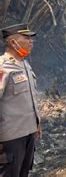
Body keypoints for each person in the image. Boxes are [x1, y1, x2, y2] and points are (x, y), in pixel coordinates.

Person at [0, 24, 40, 177]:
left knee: (23, 172)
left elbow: (29, 98)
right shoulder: (3, 67)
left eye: (31, 38)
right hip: (10, 136)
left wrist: (37, 123)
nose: (31, 42)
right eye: (26, 38)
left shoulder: (24, 65)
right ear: (12, 42)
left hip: (28, 133)